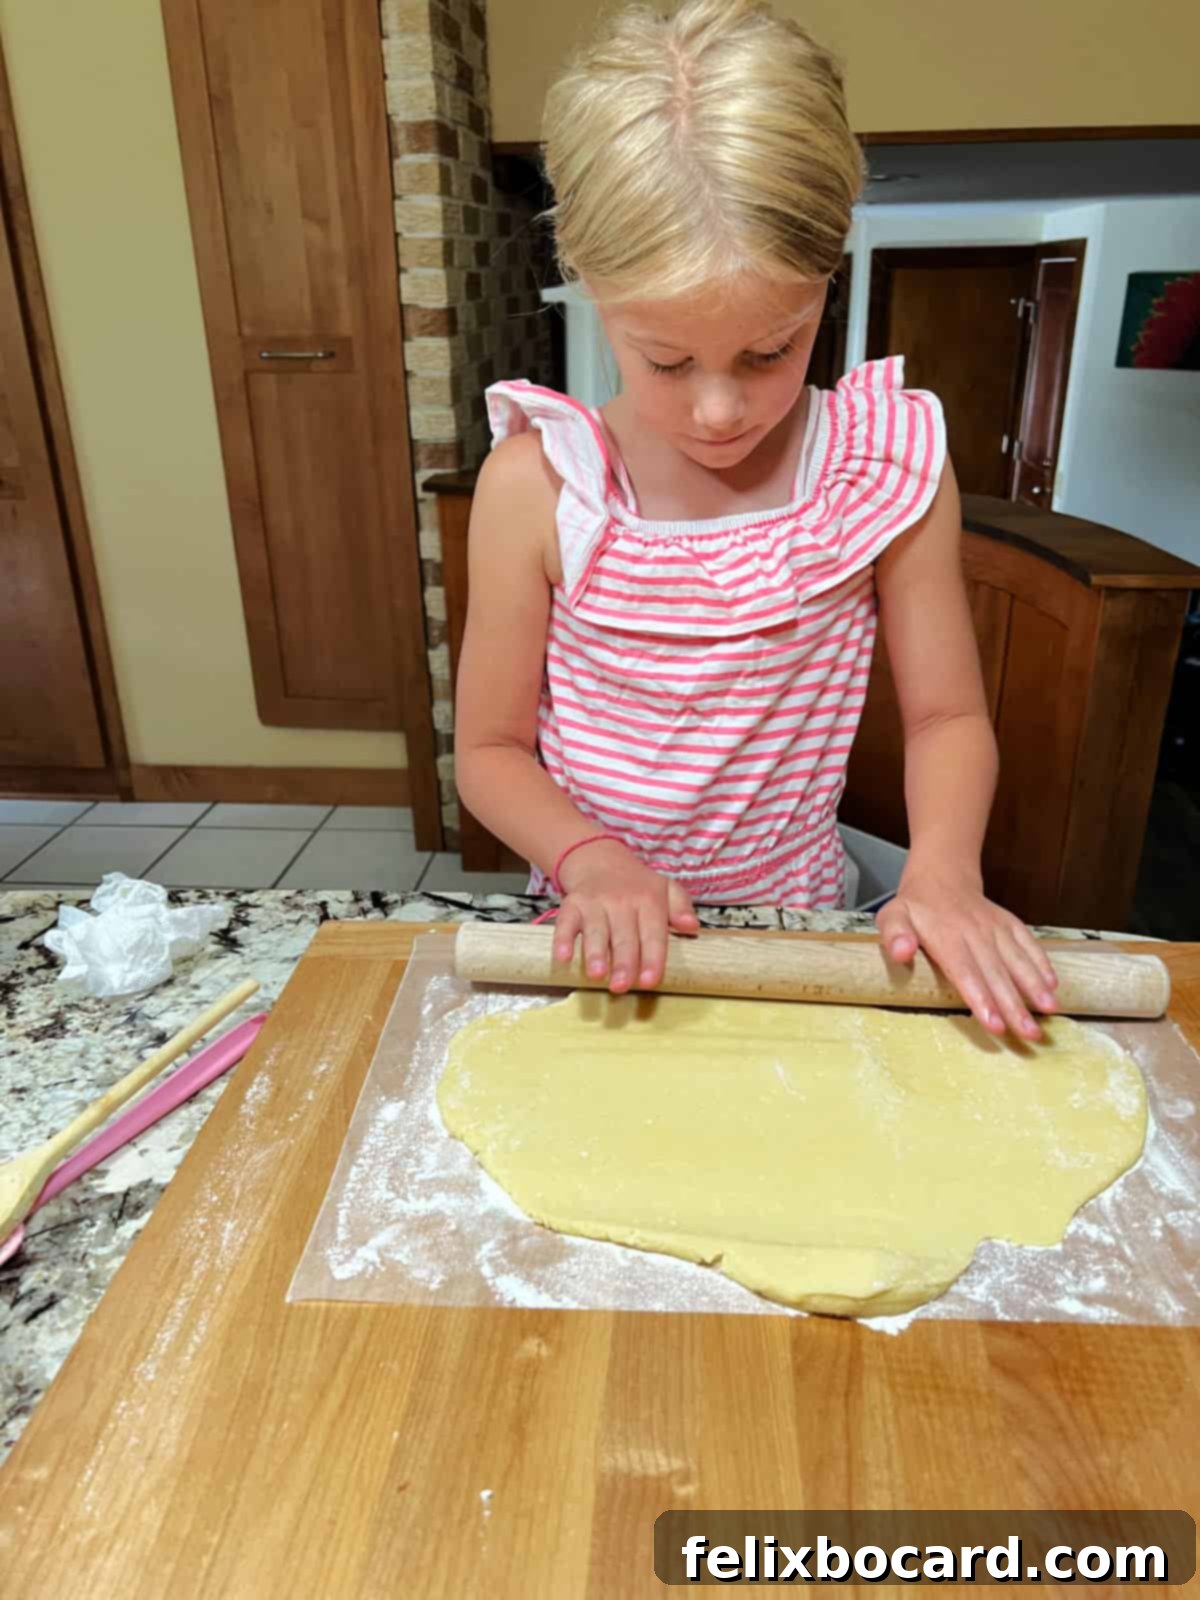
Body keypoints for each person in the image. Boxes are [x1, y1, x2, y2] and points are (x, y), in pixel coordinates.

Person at [455, 0, 1059, 1040]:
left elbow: (946, 717)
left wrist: (945, 871)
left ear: (830, 276)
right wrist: (592, 860)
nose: (720, 410)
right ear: (587, 287)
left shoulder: (880, 468)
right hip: (592, 929)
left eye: (770, 351)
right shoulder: (539, 485)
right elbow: (492, 749)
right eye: (667, 360)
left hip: (803, 925)